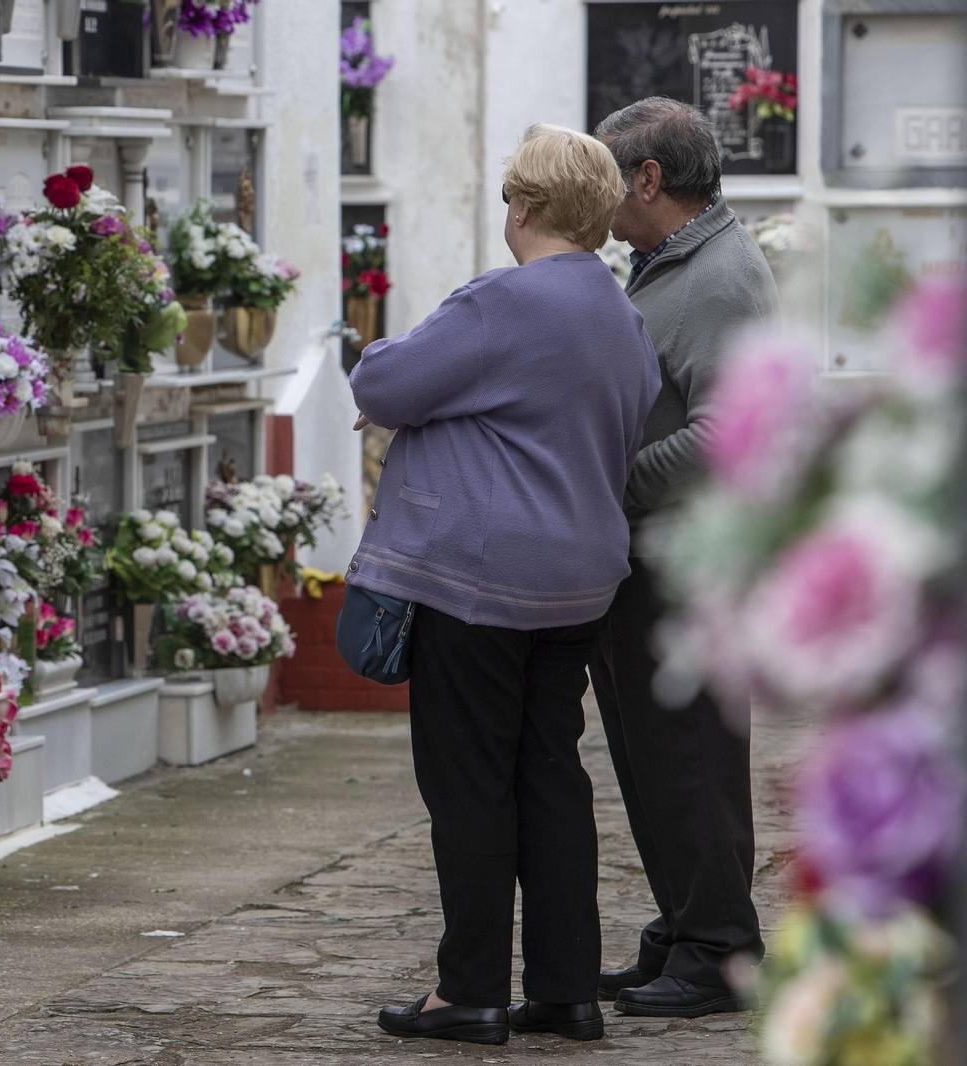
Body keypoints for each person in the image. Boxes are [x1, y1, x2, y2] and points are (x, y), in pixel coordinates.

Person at [349, 125, 661, 1046]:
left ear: (523, 204)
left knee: (471, 784)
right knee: (550, 775)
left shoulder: (501, 301)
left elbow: (386, 384)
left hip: (479, 580)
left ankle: (470, 990)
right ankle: (567, 991)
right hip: (579, 580)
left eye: (508, 198)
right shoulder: (621, 312)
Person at [588, 97, 776, 1018]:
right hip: (653, 557)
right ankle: (686, 928)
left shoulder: (718, 279)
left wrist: (609, 485)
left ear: (650, 180)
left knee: (690, 758)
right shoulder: (673, 265)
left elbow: (724, 437)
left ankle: (719, 950)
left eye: (606, 176)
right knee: (657, 759)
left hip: (686, 562)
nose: (597, 196)